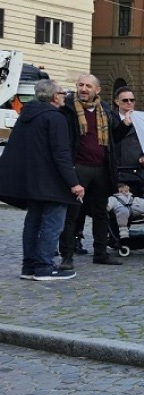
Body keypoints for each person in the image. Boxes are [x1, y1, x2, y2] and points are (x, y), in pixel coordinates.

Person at [0, 79, 84, 280]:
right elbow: (61, 154)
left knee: (33, 223)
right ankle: (44, 267)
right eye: (63, 93)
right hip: (52, 182)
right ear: (55, 96)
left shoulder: (26, 116)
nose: (65, 96)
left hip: (31, 181)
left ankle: (29, 267)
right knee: (52, 224)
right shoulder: (55, 118)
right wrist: (74, 183)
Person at [60, 74, 127, 268]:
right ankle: (67, 255)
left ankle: (101, 253)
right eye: (80, 85)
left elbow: (114, 138)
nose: (83, 89)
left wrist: (125, 126)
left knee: (101, 213)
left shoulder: (104, 109)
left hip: (101, 168)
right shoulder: (68, 108)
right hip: (78, 167)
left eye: (88, 86)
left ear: (97, 90)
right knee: (72, 214)